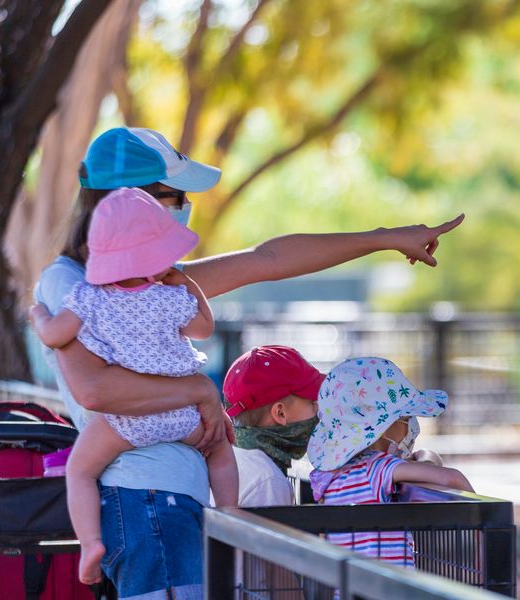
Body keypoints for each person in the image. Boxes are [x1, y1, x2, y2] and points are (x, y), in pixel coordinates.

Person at [34, 126, 464, 599]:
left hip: (173, 497)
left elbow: (268, 259)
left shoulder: (149, 281)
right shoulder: (70, 284)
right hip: (144, 500)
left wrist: (385, 238)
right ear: (129, 203)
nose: (183, 209)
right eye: (174, 197)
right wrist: (198, 392)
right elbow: (94, 389)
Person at [30, 187, 239, 585]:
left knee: (79, 470)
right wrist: (187, 284)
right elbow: (205, 327)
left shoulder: (87, 297)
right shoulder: (167, 297)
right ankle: (230, 520)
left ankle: (90, 543)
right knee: (220, 448)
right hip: (184, 415)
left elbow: (56, 335)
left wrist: (38, 314)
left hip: (129, 420)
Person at [307, 357, 474, 568]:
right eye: (406, 417)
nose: (411, 425)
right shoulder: (376, 468)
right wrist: (484, 526)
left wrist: (419, 460)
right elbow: (452, 478)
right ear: (384, 427)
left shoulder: (330, 476)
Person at [220, 345, 324, 507]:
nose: (318, 409)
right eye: (312, 402)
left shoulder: (224, 458)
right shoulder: (267, 481)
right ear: (280, 413)